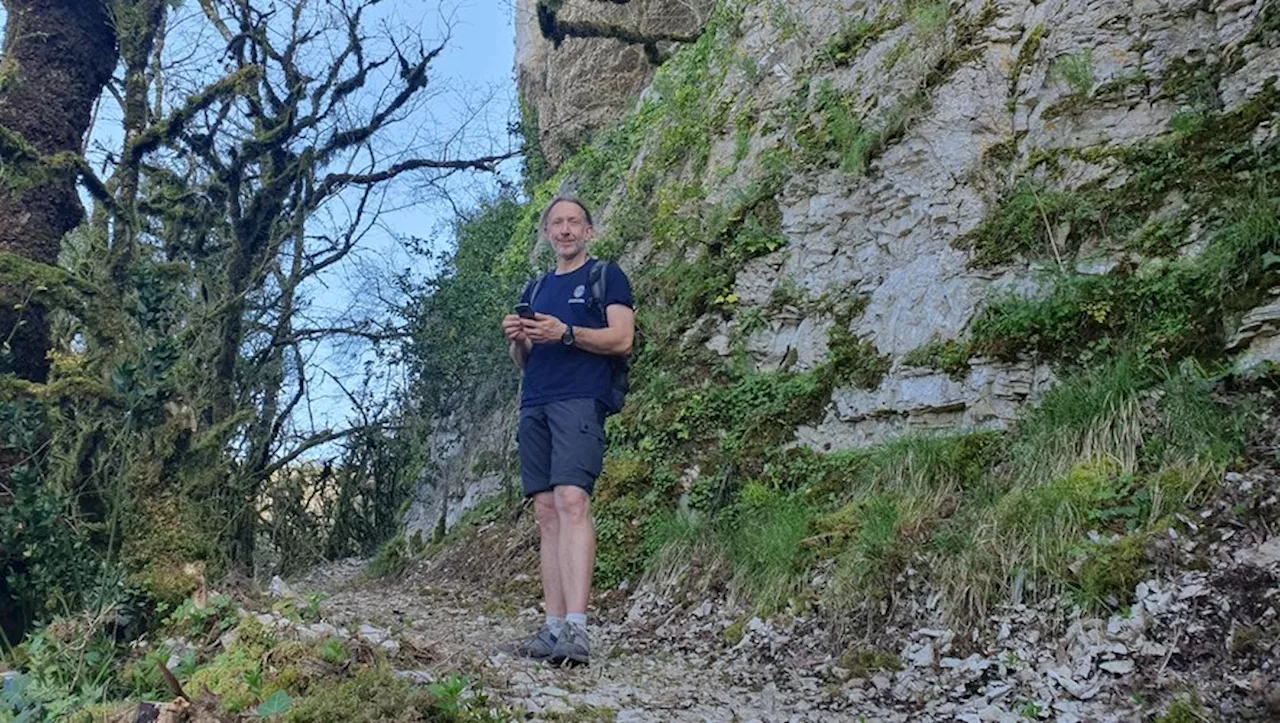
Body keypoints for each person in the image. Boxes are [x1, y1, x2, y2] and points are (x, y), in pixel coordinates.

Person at [500, 196, 634, 666]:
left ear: (588, 232)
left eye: (574, 222)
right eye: (556, 223)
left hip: (580, 398)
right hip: (535, 399)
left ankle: (577, 628)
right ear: (547, 234)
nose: (565, 230)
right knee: (545, 510)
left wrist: (568, 333)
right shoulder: (535, 289)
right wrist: (520, 340)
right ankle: (552, 627)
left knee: (573, 500)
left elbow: (622, 337)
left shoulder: (605, 276)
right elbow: (524, 363)